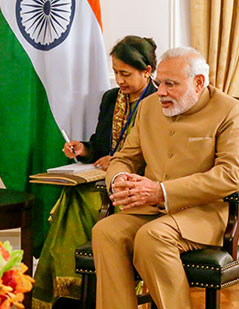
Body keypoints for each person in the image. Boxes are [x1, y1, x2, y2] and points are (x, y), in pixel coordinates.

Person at [91, 47, 239, 308]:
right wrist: (119, 178)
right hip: (150, 210)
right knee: (106, 231)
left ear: (198, 82)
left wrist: (161, 191)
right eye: (158, 83)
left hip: (208, 214)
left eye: (170, 84)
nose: (161, 91)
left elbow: (229, 175)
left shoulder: (231, 111)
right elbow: (124, 158)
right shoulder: (148, 108)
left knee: (152, 236)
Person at [32, 36, 158, 308]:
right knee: (73, 196)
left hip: (137, 183)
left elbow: (164, 152)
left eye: (125, 73)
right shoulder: (111, 98)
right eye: (115, 72)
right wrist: (83, 149)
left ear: (147, 71)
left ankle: (75, 290)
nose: (119, 80)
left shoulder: (160, 100)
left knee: (75, 201)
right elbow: (99, 144)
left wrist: (122, 160)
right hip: (101, 179)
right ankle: (76, 290)